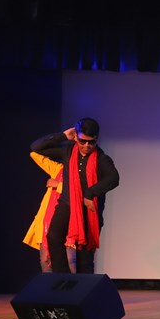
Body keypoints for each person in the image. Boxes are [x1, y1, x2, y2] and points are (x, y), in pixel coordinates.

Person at [31, 118, 119, 275]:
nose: (86, 146)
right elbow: (36, 148)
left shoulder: (101, 158)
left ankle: (85, 290)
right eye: (82, 141)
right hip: (66, 204)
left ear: (96, 139)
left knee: (84, 259)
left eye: (91, 142)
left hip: (88, 211)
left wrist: (89, 194)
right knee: (53, 237)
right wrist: (63, 136)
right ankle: (63, 279)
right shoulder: (67, 152)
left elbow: (113, 178)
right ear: (76, 137)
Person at [22, 152, 74, 273]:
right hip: (46, 224)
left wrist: (59, 185)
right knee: (45, 263)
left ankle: (71, 286)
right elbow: (34, 153)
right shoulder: (58, 169)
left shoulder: (81, 172)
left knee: (70, 262)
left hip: (69, 226)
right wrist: (59, 141)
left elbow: (79, 193)